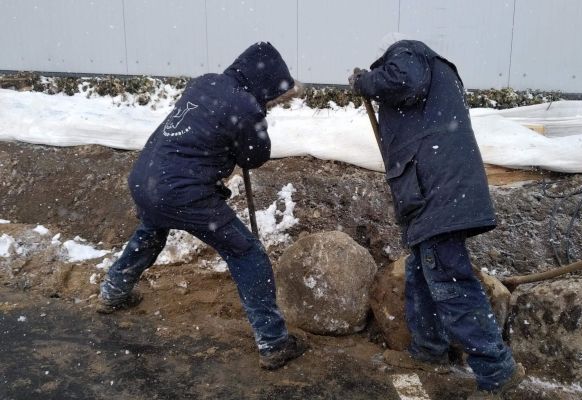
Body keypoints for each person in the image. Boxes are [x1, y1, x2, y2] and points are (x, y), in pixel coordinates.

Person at [97, 42, 306, 370]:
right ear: (265, 84)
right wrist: (252, 124)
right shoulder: (246, 105)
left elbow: (205, 131)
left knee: (152, 231)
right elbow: (255, 156)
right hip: (182, 190)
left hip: (146, 178)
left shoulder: (205, 82)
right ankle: (273, 341)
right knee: (247, 253)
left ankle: (113, 290)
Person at [348, 33, 525, 399]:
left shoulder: (409, 54)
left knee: (449, 281)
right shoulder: (438, 73)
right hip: (440, 190)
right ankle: (429, 351)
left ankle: (496, 369)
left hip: (436, 192)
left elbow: (404, 80)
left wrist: (365, 81)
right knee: (421, 272)